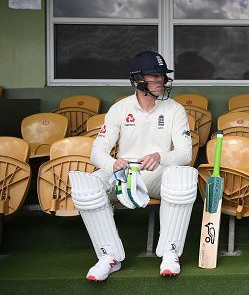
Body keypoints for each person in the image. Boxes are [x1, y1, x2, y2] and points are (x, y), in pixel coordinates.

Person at [69, 51, 196, 281]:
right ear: (138, 79)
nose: (161, 81)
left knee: (183, 178)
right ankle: (109, 256)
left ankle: (170, 252)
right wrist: (113, 163)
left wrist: (160, 156)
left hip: (157, 174)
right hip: (124, 174)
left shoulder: (174, 109)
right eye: (154, 76)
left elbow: (185, 153)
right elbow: (97, 152)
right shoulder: (120, 109)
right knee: (86, 187)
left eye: (162, 77)